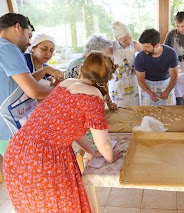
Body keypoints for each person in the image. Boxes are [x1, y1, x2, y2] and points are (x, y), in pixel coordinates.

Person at [3, 51, 122, 212]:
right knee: (60, 206)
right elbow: (104, 142)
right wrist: (110, 156)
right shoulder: (93, 96)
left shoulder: (66, 83)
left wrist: (92, 152)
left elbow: (71, 128)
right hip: (44, 160)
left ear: (82, 68)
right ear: (106, 78)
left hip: (18, 150)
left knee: (33, 207)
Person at [0, 13, 62, 156]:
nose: (29, 43)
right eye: (29, 36)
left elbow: (22, 83)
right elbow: (33, 90)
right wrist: (62, 89)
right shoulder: (7, 48)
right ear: (17, 27)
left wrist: (45, 70)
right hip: (11, 128)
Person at [65, 33, 117, 110]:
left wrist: (107, 101)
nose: (107, 55)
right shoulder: (84, 65)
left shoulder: (83, 61)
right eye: (106, 52)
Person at [135, 28, 178, 106]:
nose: (144, 49)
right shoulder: (140, 57)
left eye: (147, 47)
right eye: (143, 46)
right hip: (147, 86)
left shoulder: (171, 53)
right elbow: (140, 79)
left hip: (166, 85)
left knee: (168, 113)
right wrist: (150, 92)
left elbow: (174, 76)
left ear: (157, 45)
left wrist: (168, 90)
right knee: (148, 113)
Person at [108, 21, 143, 107]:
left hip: (132, 84)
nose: (128, 41)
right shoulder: (110, 49)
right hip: (118, 87)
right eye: (124, 40)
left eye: (129, 38)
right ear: (117, 38)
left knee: (135, 111)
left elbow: (147, 54)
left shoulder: (135, 45)